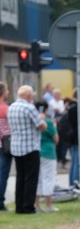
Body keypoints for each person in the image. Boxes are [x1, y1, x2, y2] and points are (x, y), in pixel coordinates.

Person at [7, 85, 48, 214]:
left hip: (16, 146)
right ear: (28, 96)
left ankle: (19, 206)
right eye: (32, 95)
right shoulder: (29, 108)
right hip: (30, 146)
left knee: (20, 177)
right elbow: (41, 127)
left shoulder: (12, 107)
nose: (32, 98)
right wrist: (42, 118)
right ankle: (28, 207)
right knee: (31, 178)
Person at [33, 101, 59, 212]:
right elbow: (56, 139)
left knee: (37, 178)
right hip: (48, 152)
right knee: (48, 178)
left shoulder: (34, 121)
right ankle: (49, 205)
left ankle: (36, 204)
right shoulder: (48, 121)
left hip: (36, 151)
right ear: (46, 109)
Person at [0, 82, 12, 211]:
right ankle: (0, 202)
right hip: (4, 145)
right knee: (3, 173)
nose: (8, 93)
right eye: (7, 91)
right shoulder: (5, 109)